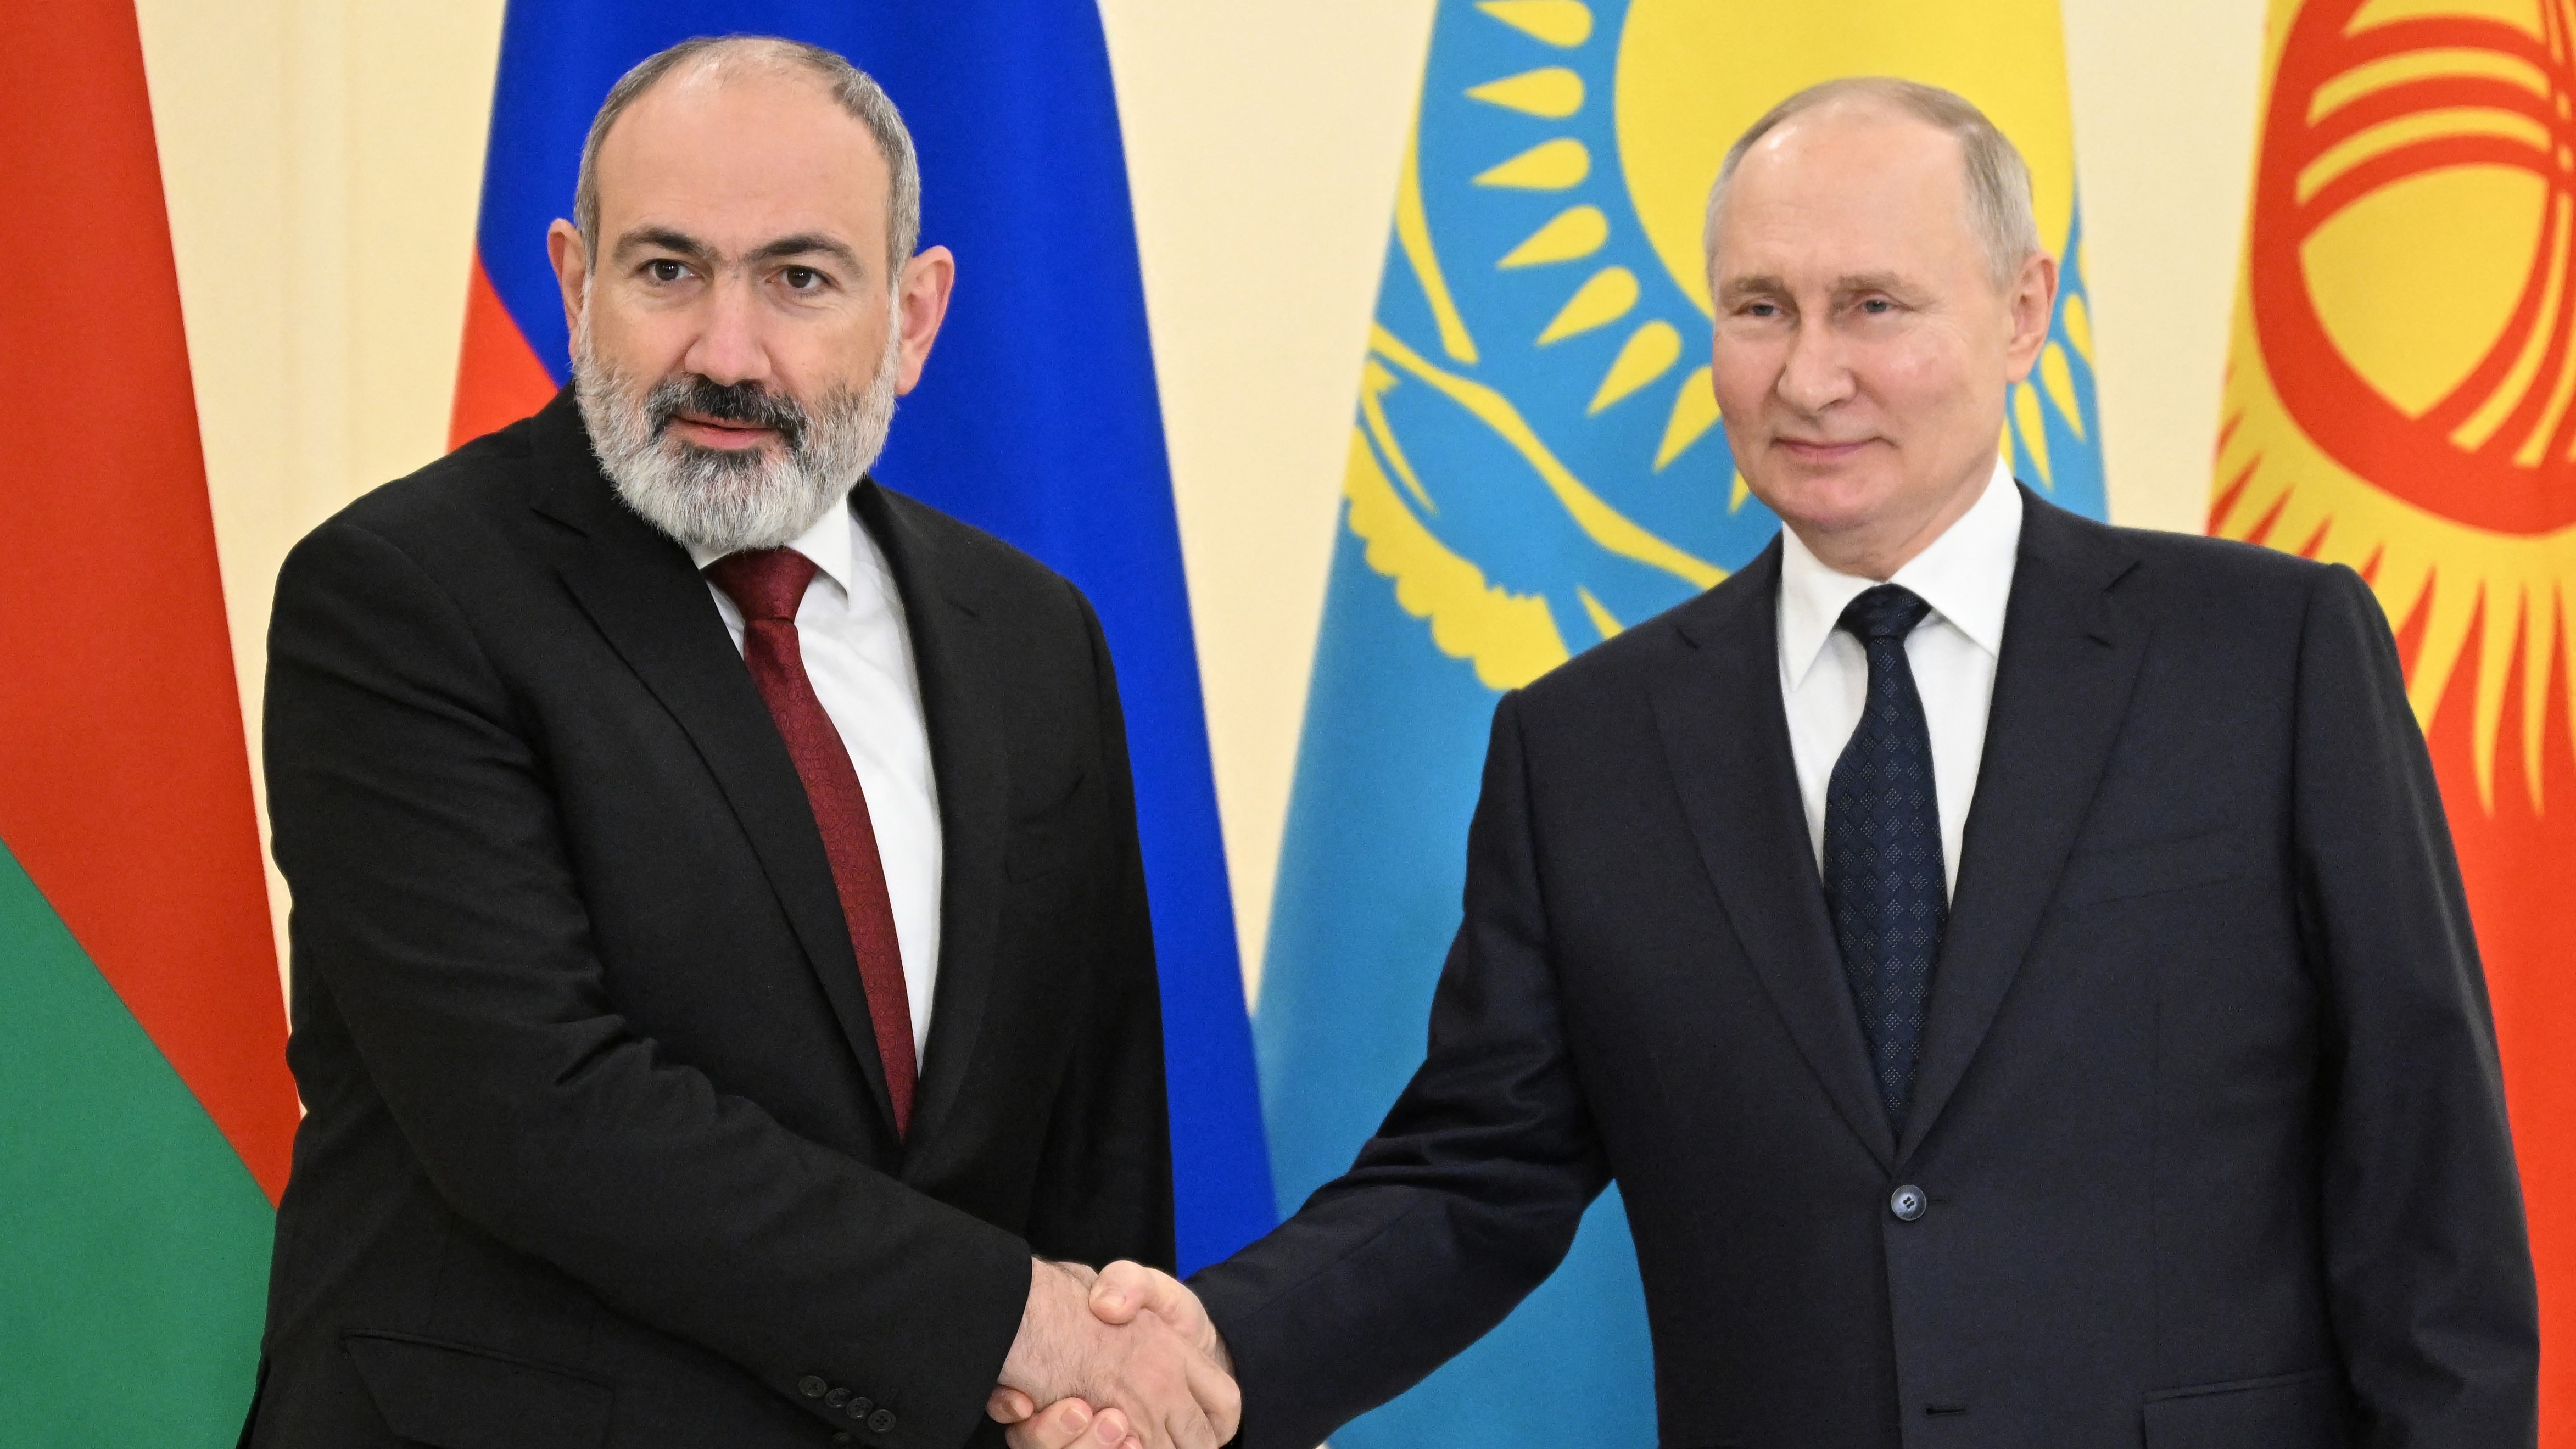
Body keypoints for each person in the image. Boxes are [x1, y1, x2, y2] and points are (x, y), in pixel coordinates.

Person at [1001, 77, 2539, 1449]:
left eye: (1873, 306)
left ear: (2020, 311)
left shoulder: (2265, 656)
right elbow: (1472, 1178)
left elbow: (2424, 1182)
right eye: (1758, 308)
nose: (1807, 377)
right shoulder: (1584, 746)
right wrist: (1203, 1355)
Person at [244, 36, 1236, 1449]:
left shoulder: (1032, 634)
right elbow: (540, 1115)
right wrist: (1025, 1323)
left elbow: (1095, 1127)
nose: (726, 351)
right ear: (576, 284)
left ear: (914, 315)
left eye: (800, 277)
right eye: (665, 271)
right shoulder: (401, 599)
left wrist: (1096, 1394)